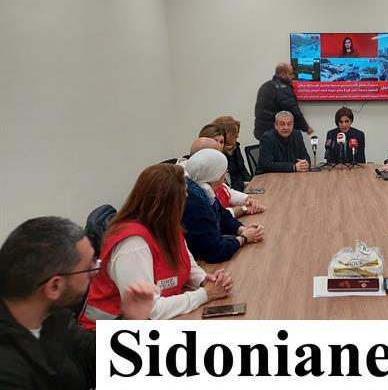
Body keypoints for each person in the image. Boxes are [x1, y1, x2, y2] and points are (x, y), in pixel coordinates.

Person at [0, 216, 157, 389]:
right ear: (54, 286)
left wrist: (132, 322)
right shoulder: (8, 370)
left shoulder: (52, 316)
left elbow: (94, 357)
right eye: (89, 268)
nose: (95, 272)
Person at [80, 163, 233, 329]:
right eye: (182, 196)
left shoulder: (167, 225)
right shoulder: (133, 245)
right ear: (165, 204)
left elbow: (187, 264)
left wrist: (205, 281)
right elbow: (150, 310)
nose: (187, 197)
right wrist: (204, 294)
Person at [183, 149, 265, 263]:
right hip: (202, 263)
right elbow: (215, 250)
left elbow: (223, 216)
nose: (225, 175)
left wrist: (242, 229)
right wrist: (244, 238)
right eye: (224, 171)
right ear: (214, 175)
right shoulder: (193, 203)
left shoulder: (201, 189)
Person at [254, 62, 313, 140]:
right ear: (282, 74)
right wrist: (306, 128)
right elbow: (294, 112)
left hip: (262, 133)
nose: (293, 76)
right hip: (276, 135)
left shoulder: (265, 85)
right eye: (290, 74)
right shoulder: (283, 89)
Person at [213, 115, 252, 192]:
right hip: (232, 191)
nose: (237, 135)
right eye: (234, 133)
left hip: (244, 189)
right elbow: (226, 183)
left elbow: (243, 170)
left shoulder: (236, 146)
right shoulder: (217, 154)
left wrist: (252, 182)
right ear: (226, 135)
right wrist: (244, 184)